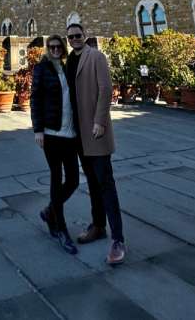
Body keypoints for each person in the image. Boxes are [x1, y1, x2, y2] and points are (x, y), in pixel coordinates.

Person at [66, 21, 126, 265]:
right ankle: (98, 226)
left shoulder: (96, 57)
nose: (74, 39)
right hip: (78, 134)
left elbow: (106, 89)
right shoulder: (69, 61)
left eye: (78, 35)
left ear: (85, 35)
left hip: (95, 131)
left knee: (106, 184)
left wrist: (100, 122)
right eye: (70, 37)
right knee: (91, 181)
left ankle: (118, 239)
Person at [30, 34, 80, 254]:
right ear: (47, 49)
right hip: (51, 133)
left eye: (59, 46)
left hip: (70, 134)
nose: (56, 50)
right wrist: (38, 130)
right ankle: (61, 229)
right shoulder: (41, 69)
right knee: (56, 177)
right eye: (52, 47)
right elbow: (35, 99)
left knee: (74, 179)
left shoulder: (68, 69)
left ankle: (50, 211)